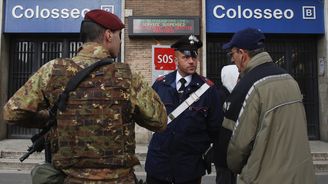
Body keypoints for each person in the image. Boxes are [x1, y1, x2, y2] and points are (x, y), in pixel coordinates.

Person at [3, 9, 167, 184]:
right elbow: (159, 121)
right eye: (119, 35)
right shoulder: (127, 76)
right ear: (108, 35)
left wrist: (51, 119)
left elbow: (11, 113)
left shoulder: (52, 70)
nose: (119, 41)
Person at [221, 27, 316, 184]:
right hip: (301, 174)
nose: (232, 60)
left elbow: (237, 148)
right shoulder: (290, 79)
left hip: (265, 177)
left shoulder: (248, 86)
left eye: (232, 54)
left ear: (242, 54)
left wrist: (232, 166)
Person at [145, 35, 224, 184]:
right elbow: (148, 116)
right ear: (175, 60)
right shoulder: (161, 85)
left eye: (194, 57)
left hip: (189, 168)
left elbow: (215, 128)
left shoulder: (208, 89)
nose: (191, 61)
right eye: (186, 57)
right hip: (159, 165)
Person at [213, 64, 239, 184]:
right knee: (224, 178)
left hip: (231, 150)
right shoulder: (220, 95)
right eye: (238, 76)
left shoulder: (233, 94)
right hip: (223, 149)